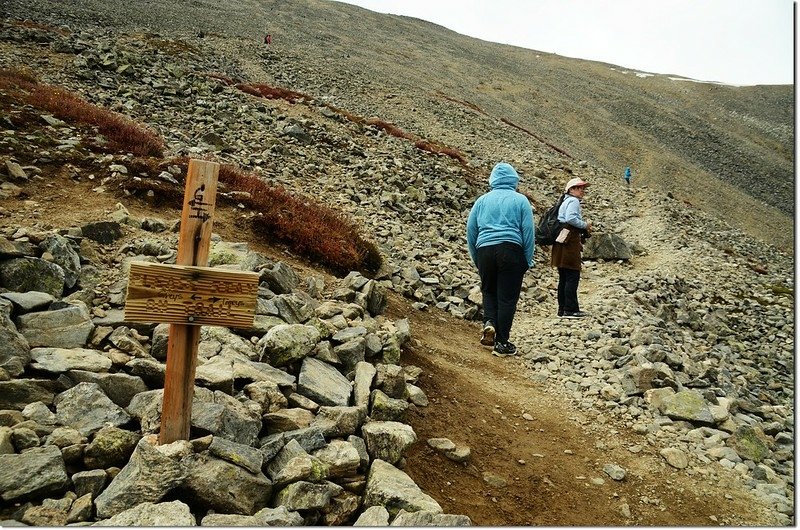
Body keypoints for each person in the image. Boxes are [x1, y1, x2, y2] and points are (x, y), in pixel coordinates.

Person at [466, 162, 534, 357]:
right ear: (514, 179)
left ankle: (489, 323)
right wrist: (526, 259)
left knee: (488, 290)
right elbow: (528, 231)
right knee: (507, 297)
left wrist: (476, 257)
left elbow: (471, 230)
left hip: (484, 250)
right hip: (511, 250)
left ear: (493, 180)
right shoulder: (520, 200)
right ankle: (502, 343)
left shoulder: (482, 200)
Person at [552, 177, 592, 319]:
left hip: (561, 241)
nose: (582, 191)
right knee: (572, 275)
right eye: (579, 188)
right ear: (571, 190)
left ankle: (562, 309)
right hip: (569, 243)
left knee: (564, 277)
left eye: (583, 188)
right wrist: (585, 225)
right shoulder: (573, 201)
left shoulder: (565, 201)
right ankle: (570, 309)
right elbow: (571, 219)